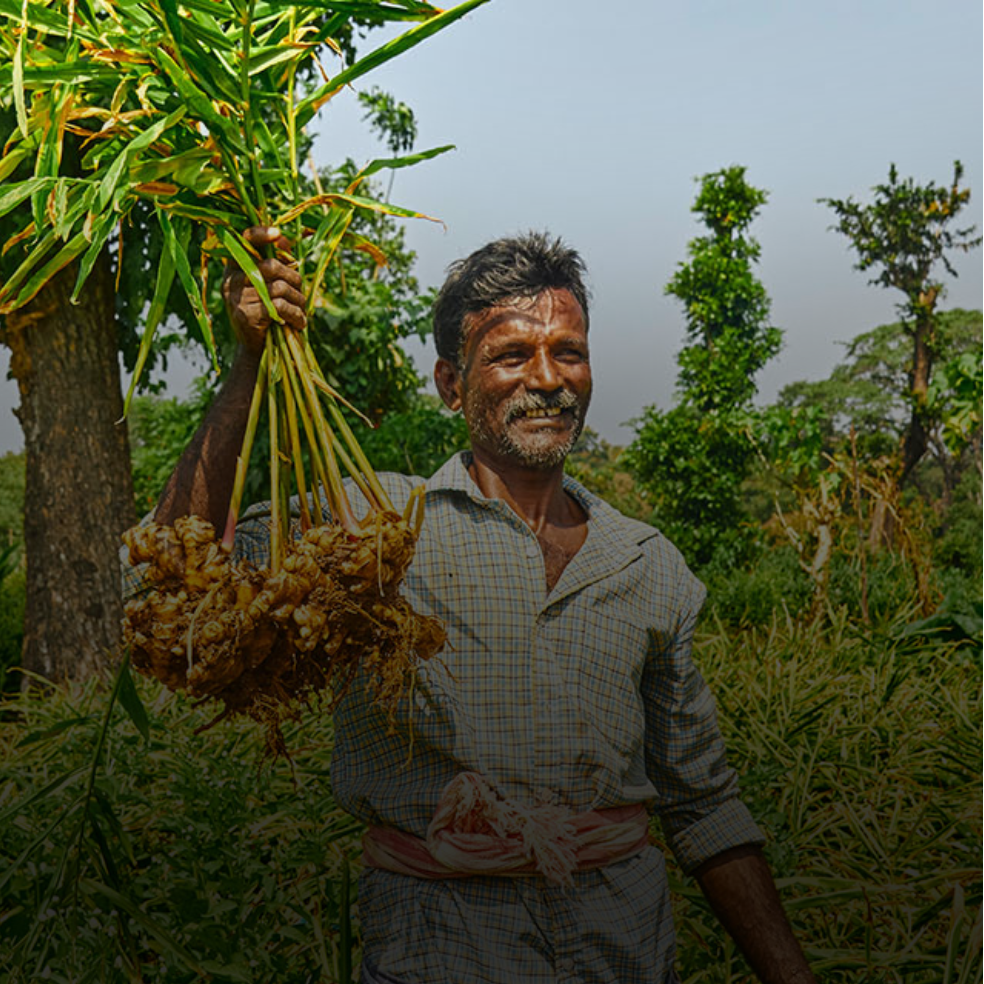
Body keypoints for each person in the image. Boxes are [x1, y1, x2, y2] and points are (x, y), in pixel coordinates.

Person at [136, 227, 816, 984]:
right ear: (450, 385)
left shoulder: (645, 563)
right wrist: (249, 363)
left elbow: (704, 806)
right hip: (439, 951)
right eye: (510, 355)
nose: (548, 378)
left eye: (569, 351)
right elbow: (167, 583)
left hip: (622, 950)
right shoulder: (376, 529)